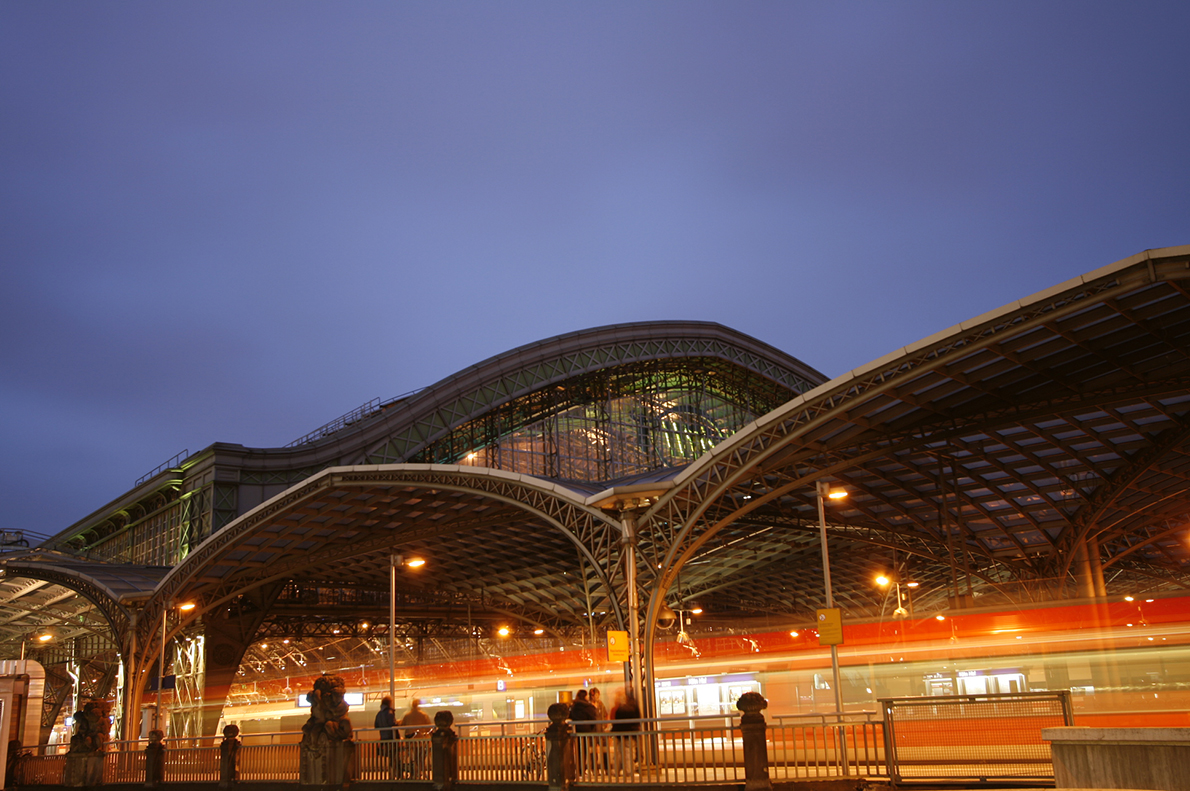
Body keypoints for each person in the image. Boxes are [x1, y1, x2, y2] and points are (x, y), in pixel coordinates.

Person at [610, 688, 641, 778]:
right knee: (629, 753)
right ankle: (629, 771)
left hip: (619, 734)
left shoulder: (619, 708)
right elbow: (637, 719)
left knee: (618, 753)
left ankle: (616, 771)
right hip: (630, 734)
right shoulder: (633, 706)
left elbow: (615, 720)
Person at [568, 689, 599, 777]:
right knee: (591, 751)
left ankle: (580, 769)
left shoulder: (574, 706)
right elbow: (593, 718)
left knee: (579, 752)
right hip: (587, 731)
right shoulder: (588, 706)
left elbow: (570, 716)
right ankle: (594, 770)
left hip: (577, 732)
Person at [399, 699, 433, 778]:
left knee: (411, 757)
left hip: (410, 741)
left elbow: (402, 725)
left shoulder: (407, 715)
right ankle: (422, 772)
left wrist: (398, 722)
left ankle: (413, 772)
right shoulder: (423, 715)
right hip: (421, 740)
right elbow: (429, 727)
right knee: (421, 757)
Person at [374, 697, 397, 776]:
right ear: (389, 703)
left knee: (390, 756)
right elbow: (392, 724)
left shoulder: (379, 713)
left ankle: (391, 773)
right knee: (395, 756)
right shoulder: (389, 712)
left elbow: (376, 725)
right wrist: (398, 723)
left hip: (384, 738)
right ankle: (394, 773)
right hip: (391, 738)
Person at [589, 687, 610, 775]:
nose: (597, 697)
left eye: (597, 695)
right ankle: (594, 770)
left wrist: (605, 725)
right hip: (593, 732)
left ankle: (607, 769)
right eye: (595, 695)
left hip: (602, 732)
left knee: (605, 751)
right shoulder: (589, 706)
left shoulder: (601, 705)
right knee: (593, 753)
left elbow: (605, 715)